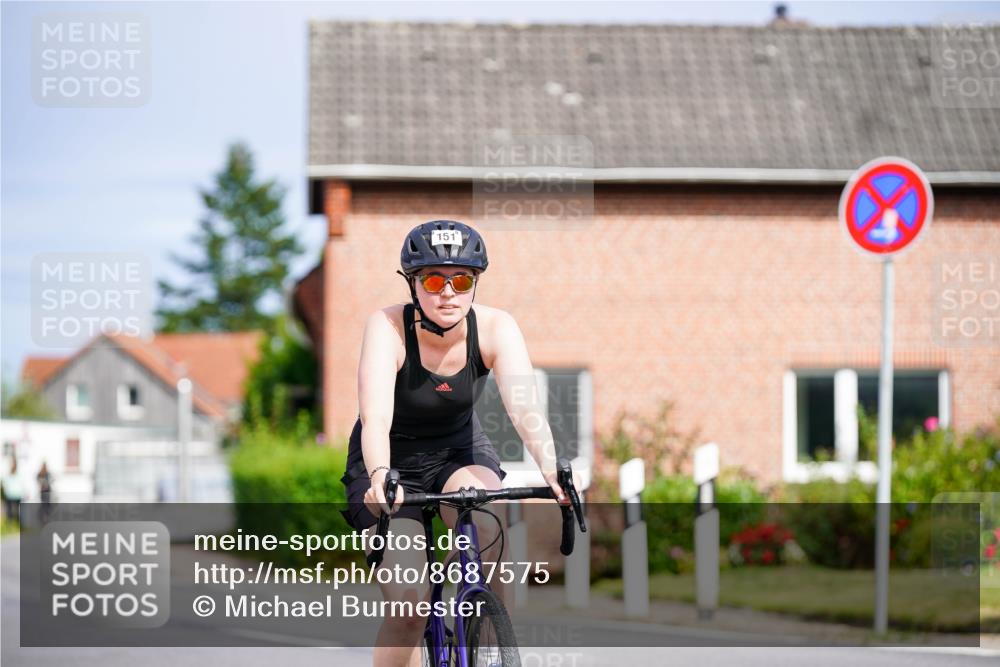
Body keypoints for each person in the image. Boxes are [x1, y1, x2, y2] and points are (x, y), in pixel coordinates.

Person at [340, 220, 569, 667]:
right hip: (388, 457)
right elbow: (376, 418)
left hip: (458, 449)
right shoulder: (387, 327)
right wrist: (381, 476)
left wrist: (552, 467)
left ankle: (489, 638)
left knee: (487, 529)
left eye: (461, 280)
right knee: (408, 605)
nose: (448, 292)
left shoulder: (497, 328)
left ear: (475, 284)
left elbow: (526, 409)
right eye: (433, 280)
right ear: (412, 284)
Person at [1, 458, 23, 524]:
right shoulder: (7, 475)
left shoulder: (19, 474)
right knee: (9, 511)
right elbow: (4, 483)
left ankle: (17, 524)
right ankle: (10, 524)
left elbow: (21, 484)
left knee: (17, 511)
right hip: (9, 495)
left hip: (17, 495)